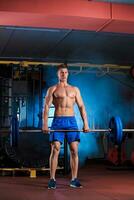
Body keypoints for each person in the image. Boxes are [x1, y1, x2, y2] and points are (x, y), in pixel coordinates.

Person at [43, 64, 89, 189]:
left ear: (68, 74)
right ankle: (52, 179)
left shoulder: (75, 89)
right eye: (61, 72)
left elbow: (81, 107)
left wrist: (86, 123)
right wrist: (44, 124)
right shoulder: (52, 89)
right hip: (58, 121)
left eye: (66, 72)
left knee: (74, 150)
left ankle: (74, 179)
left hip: (71, 121)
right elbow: (46, 107)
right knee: (55, 148)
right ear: (58, 74)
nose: (64, 74)